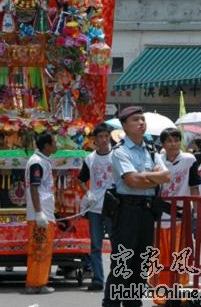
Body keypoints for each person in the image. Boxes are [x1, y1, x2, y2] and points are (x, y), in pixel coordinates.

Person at [102, 106, 170, 307]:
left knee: (141, 264)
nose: (141, 123)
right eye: (135, 120)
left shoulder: (151, 151)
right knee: (123, 264)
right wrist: (152, 178)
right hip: (126, 211)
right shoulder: (120, 152)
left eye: (142, 119)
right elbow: (131, 181)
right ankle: (111, 304)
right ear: (124, 126)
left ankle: (133, 303)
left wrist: (147, 178)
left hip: (147, 211)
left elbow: (166, 176)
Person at [150, 127, 201, 305]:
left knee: (180, 254)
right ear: (163, 144)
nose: (174, 144)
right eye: (170, 141)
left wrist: (198, 212)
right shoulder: (157, 160)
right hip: (161, 214)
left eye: (176, 140)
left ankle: (181, 291)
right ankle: (162, 293)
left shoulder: (189, 159)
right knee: (161, 254)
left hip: (181, 214)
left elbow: (194, 187)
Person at [78, 122, 113, 291]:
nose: (104, 140)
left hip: (114, 206)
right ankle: (98, 279)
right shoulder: (90, 159)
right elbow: (80, 179)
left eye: (106, 136)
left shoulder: (117, 156)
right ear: (95, 140)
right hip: (94, 207)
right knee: (96, 245)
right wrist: (87, 192)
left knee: (117, 244)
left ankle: (117, 278)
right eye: (100, 137)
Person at [24, 131, 57, 295]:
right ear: (47, 145)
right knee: (38, 249)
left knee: (43, 250)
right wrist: (38, 212)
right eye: (54, 142)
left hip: (45, 212)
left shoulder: (43, 161)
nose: (57, 145)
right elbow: (34, 188)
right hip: (40, 214)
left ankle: (40, 281)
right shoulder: (37, 163)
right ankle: (34, 283)